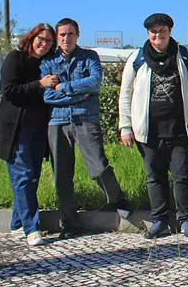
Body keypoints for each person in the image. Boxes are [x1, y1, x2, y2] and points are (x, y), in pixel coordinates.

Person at [118, 13, 188, 239]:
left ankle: (186, 219)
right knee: (154, 176)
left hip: (181, 129)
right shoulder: (136, 58)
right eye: (154, 31)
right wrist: (125, 127)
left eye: (163, 30)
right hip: (148, 131)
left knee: (183, 175)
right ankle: (159, 221)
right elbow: (125, 95)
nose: (158, 35)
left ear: (170, 31)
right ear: (148, 33)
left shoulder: (184, 56)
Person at [41, 18, 131, 239]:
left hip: (86, 119)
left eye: (70, 34)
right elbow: (46, 95)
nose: (66, 38)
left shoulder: (89, 57)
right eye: (62, 35)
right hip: (57, 122)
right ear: (57, 37)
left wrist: (64, 87)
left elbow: (95, 83)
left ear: (77, 35)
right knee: (62, 174)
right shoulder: (47, 61)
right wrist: (78, 94)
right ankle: (70, 223)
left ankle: (117, 198)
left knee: (99, 167)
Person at [0, 23, 58, 246]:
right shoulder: (15, 58)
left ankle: (17, 224)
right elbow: (9, 91)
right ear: (31, 38)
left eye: (49, 41)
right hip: (16, 129)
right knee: (23, 175)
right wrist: (39, 84)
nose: (44, 43)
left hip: (38, 128)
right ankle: (32, 228)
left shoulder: (45, 64)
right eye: (41, 38)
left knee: (32, 177)